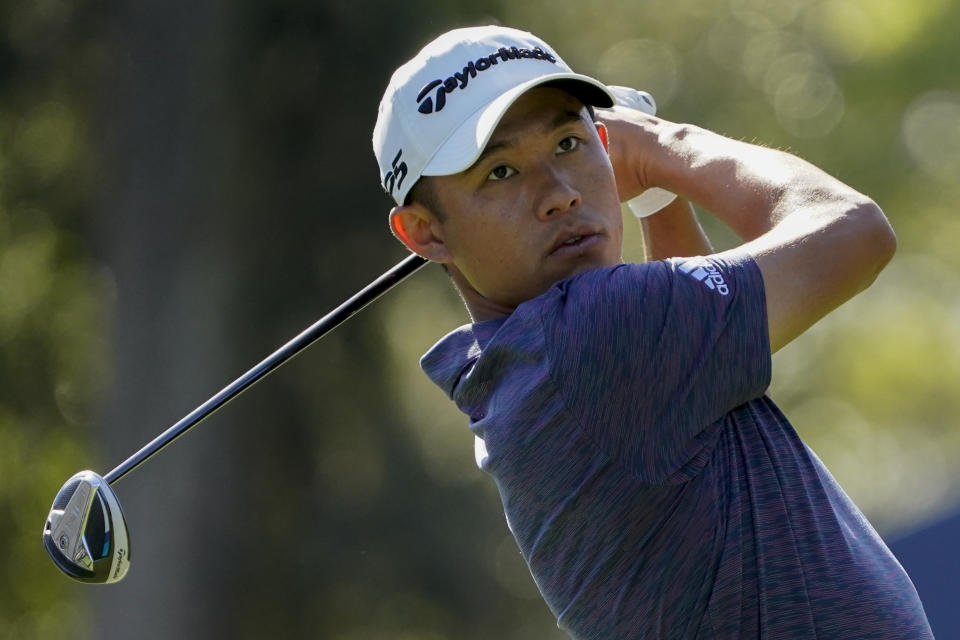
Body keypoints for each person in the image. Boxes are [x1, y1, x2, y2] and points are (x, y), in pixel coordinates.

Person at [372, 25, 933, 639]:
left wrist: (654, 195)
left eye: (568, 143)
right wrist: (667, 145)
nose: (559, 194)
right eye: (501, 172)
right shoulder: (590, 338)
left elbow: (705, 372)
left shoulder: (534, 363)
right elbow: (853, 232)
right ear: (424, 232)